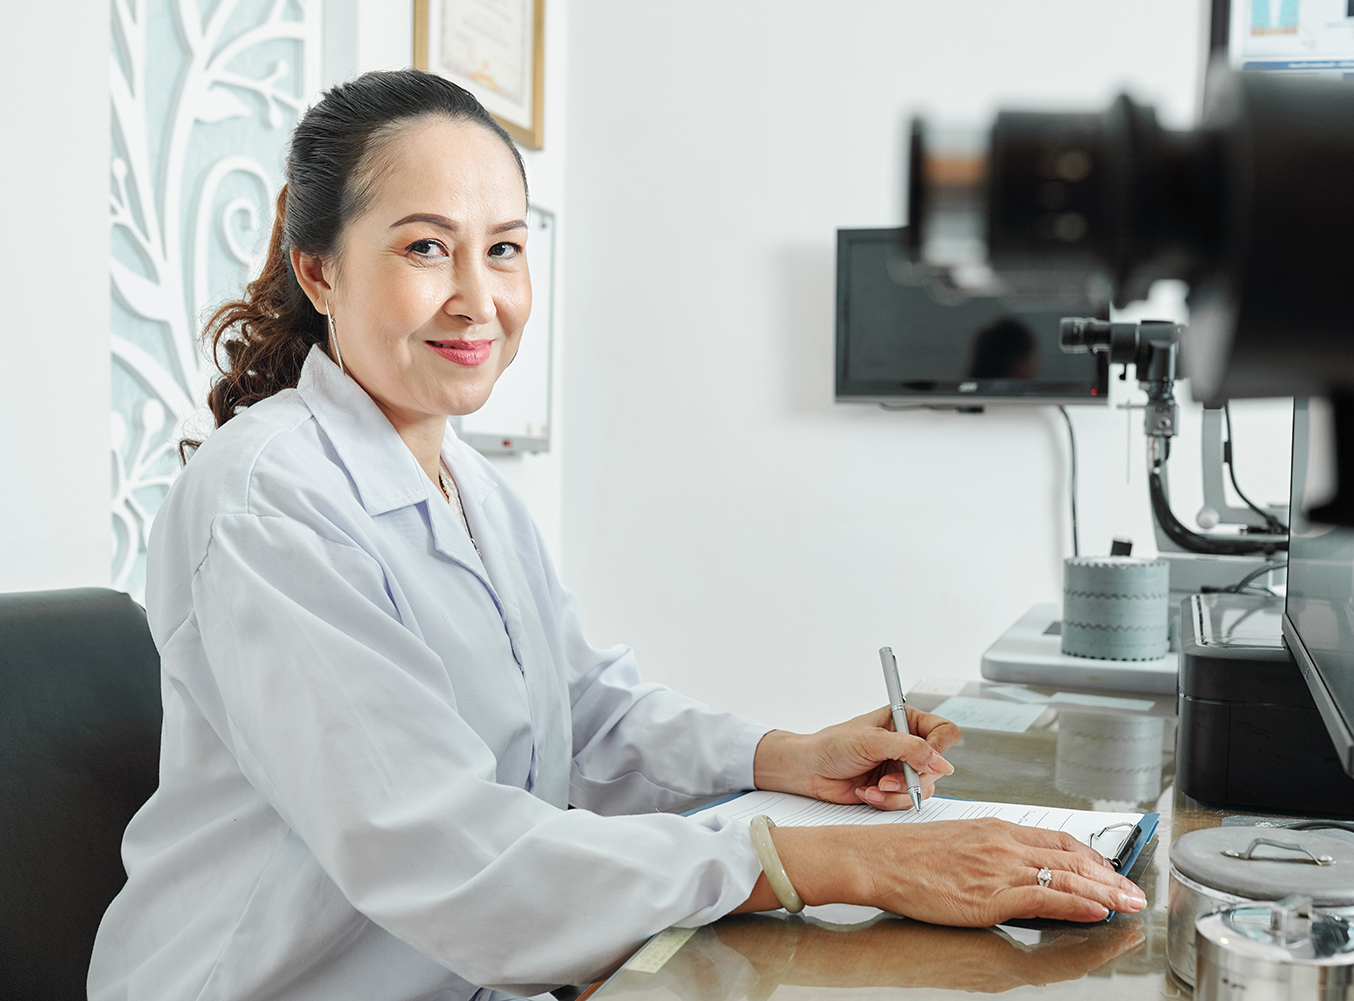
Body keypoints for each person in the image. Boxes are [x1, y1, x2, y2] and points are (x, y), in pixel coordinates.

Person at [88, 70, 1144, 1001]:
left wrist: (787, 757)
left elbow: (581, 718)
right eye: (425, 247)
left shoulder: (471, 481)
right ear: (318, 270)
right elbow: (445, 847)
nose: (479, 298)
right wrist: (838, 864)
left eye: (504, 249)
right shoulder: (267, 501)